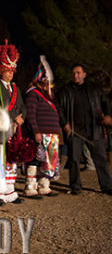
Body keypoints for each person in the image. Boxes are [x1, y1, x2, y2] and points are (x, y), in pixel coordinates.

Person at [56, 63, 112, 195]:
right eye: (74, 73)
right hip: (75, 131)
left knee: (101, 159)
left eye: (79, 73)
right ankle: (75, 187)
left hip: (94, 128)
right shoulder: (65, 90)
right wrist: (64, 123)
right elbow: (59, 108)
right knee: (74, 159)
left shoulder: (94, 88)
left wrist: (108, 115)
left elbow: (105, 102)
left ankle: (107, 186)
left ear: (84, 75)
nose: (76, 75)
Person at [0, 39, 26, 205]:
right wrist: (14, 116)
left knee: (11, 160)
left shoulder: (15, 88)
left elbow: (22, 105)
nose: (10, 74)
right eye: (7, 71)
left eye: (12, 71)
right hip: (0, 128)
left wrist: (20, 117)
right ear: (1, 70)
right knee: (0, 159)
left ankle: (9, 190)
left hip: (14, 128)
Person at [23, 55, 60, 198]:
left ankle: (44, 186)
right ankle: (30, 187)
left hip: (52, 135)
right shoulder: (33, 94)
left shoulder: (49, 97)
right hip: (40, 134)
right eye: (45, 80)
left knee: (49, 161)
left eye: (49, 81)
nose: (48, 84)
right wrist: (36, 131)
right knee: (36, 160)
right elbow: (31, 114)